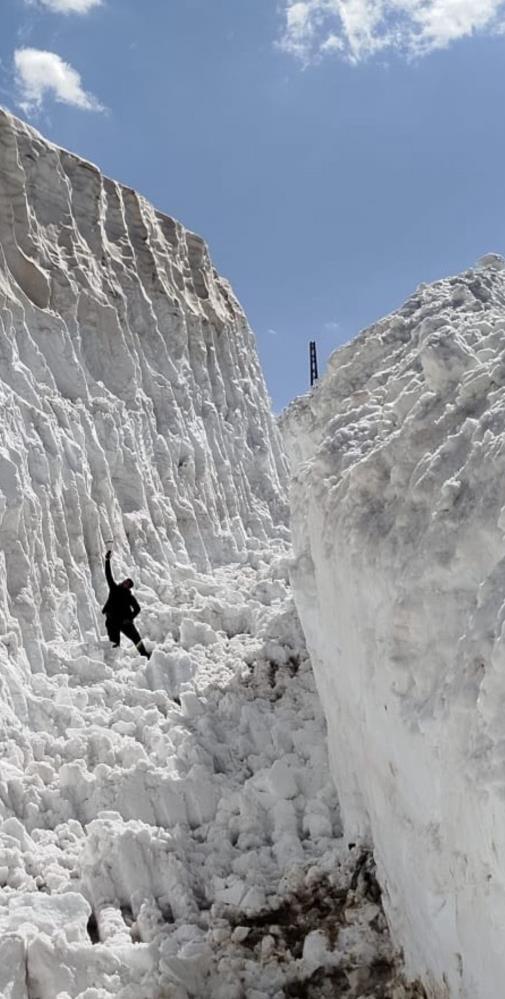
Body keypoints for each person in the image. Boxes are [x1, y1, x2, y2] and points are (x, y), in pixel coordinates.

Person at [102, 550, 151, 659]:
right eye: (125, 581)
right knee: (115, 643)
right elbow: (108, 575)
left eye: (128, 583)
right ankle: (114, 663)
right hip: (112, 621)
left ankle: (144, 654)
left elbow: (137, 608)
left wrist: (129, 618)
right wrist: (107, 560)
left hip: (124, 622)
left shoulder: (129, 597)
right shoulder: (114, 589)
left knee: (136, 638)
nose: (125, 582)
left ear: (129, 587)